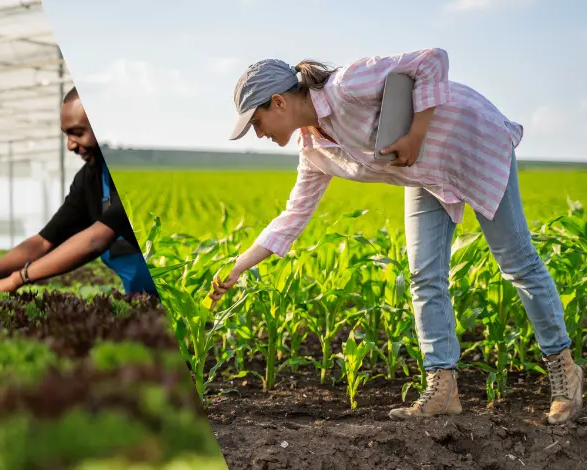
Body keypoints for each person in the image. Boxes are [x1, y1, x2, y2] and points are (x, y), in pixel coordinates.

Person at [208, 48, 582, 425]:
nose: (259, 133)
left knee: (515, 261)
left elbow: (432, 59)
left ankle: (564, 372)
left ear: (278, 102)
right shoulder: (314, 150)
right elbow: (293, 216)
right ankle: (443, 388)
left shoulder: (346, 86)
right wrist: (239, 267)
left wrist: (417, 133)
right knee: (424, 275)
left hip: (470, 141)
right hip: (427, 173)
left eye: (257, 122)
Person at [0, 87, 157, 299]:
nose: (70, 145)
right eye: (67, 134)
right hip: (144, 302)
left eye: (78, 133)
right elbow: (42, 242)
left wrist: (16, 279)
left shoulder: (143, 175)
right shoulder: (89, 180)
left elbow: (95, 240)